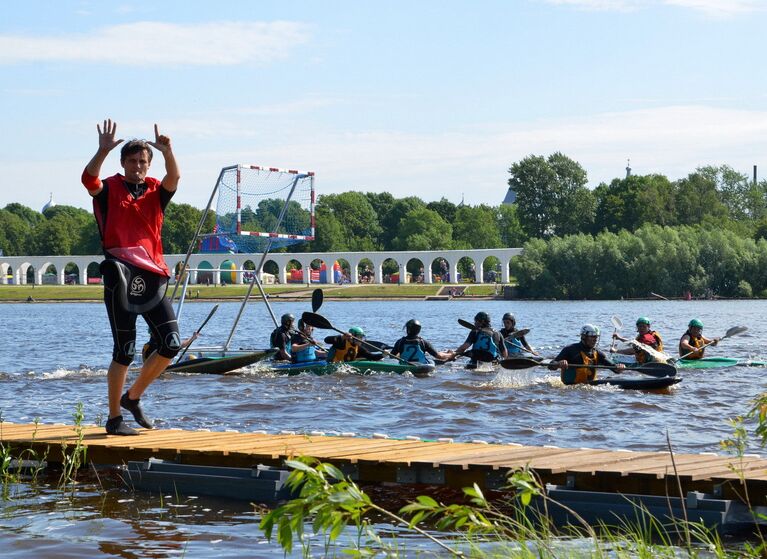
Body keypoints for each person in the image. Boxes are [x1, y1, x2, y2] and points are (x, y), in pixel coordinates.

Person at [82, 119, 181, 436]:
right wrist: (102, 151)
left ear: (148, 164)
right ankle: (114, 419)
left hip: (152, 276)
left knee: (171, 343)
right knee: (124, 349)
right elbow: (89, 179)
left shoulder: (155, 190)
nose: (138, 165)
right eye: (132, 160)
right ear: (123, 163)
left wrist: (167, 151)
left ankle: (133, 397)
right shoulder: (108, 188)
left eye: (143, 161)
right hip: (120, 274)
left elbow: (174, 177)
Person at [549, 324, 625, 385]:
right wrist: (559, 363)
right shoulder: (570, 349)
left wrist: (620, 367)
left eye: (596, 337)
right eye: (592, 336)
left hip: (589, 386)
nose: (595, 339)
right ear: (583, 337)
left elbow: (615, 369)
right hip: (570, 386)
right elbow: (550, 366)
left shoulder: (597, 353)